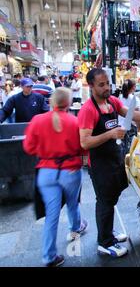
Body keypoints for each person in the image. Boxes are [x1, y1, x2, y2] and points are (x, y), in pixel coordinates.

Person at [78, 68, 140, 258]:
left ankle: (108, 233)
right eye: (101, 85)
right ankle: (104, 242)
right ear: (91, 86)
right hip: (100, 165)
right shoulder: (88, 110)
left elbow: (131, 114)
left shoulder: (112, 102)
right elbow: (84, 142)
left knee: (112, 198)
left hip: (114, 159)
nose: (106, 88)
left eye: (108, 83)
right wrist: (110, 133)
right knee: (104, 202)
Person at [23, 87, 86, 267]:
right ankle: (75, 229)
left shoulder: (37, 120)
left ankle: (49, 256)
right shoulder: (74, 122)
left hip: (46, 173)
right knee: (73, 204)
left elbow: (28, 148)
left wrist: (44, 154)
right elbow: (84, 149)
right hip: (70, 171)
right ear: (68, 102)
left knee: (52, 216)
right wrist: (81, 163)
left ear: (51, 101)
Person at [118, 79, 140, 156]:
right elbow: (137, 116)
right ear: (132, 88)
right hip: (130, 127)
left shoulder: (120, 97)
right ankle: (127, 165)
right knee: (130, 149)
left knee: (121, 147)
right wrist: (139, 128)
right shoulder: (135, 99)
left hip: (120, 125)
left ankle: (121, 164)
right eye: (135, 86)